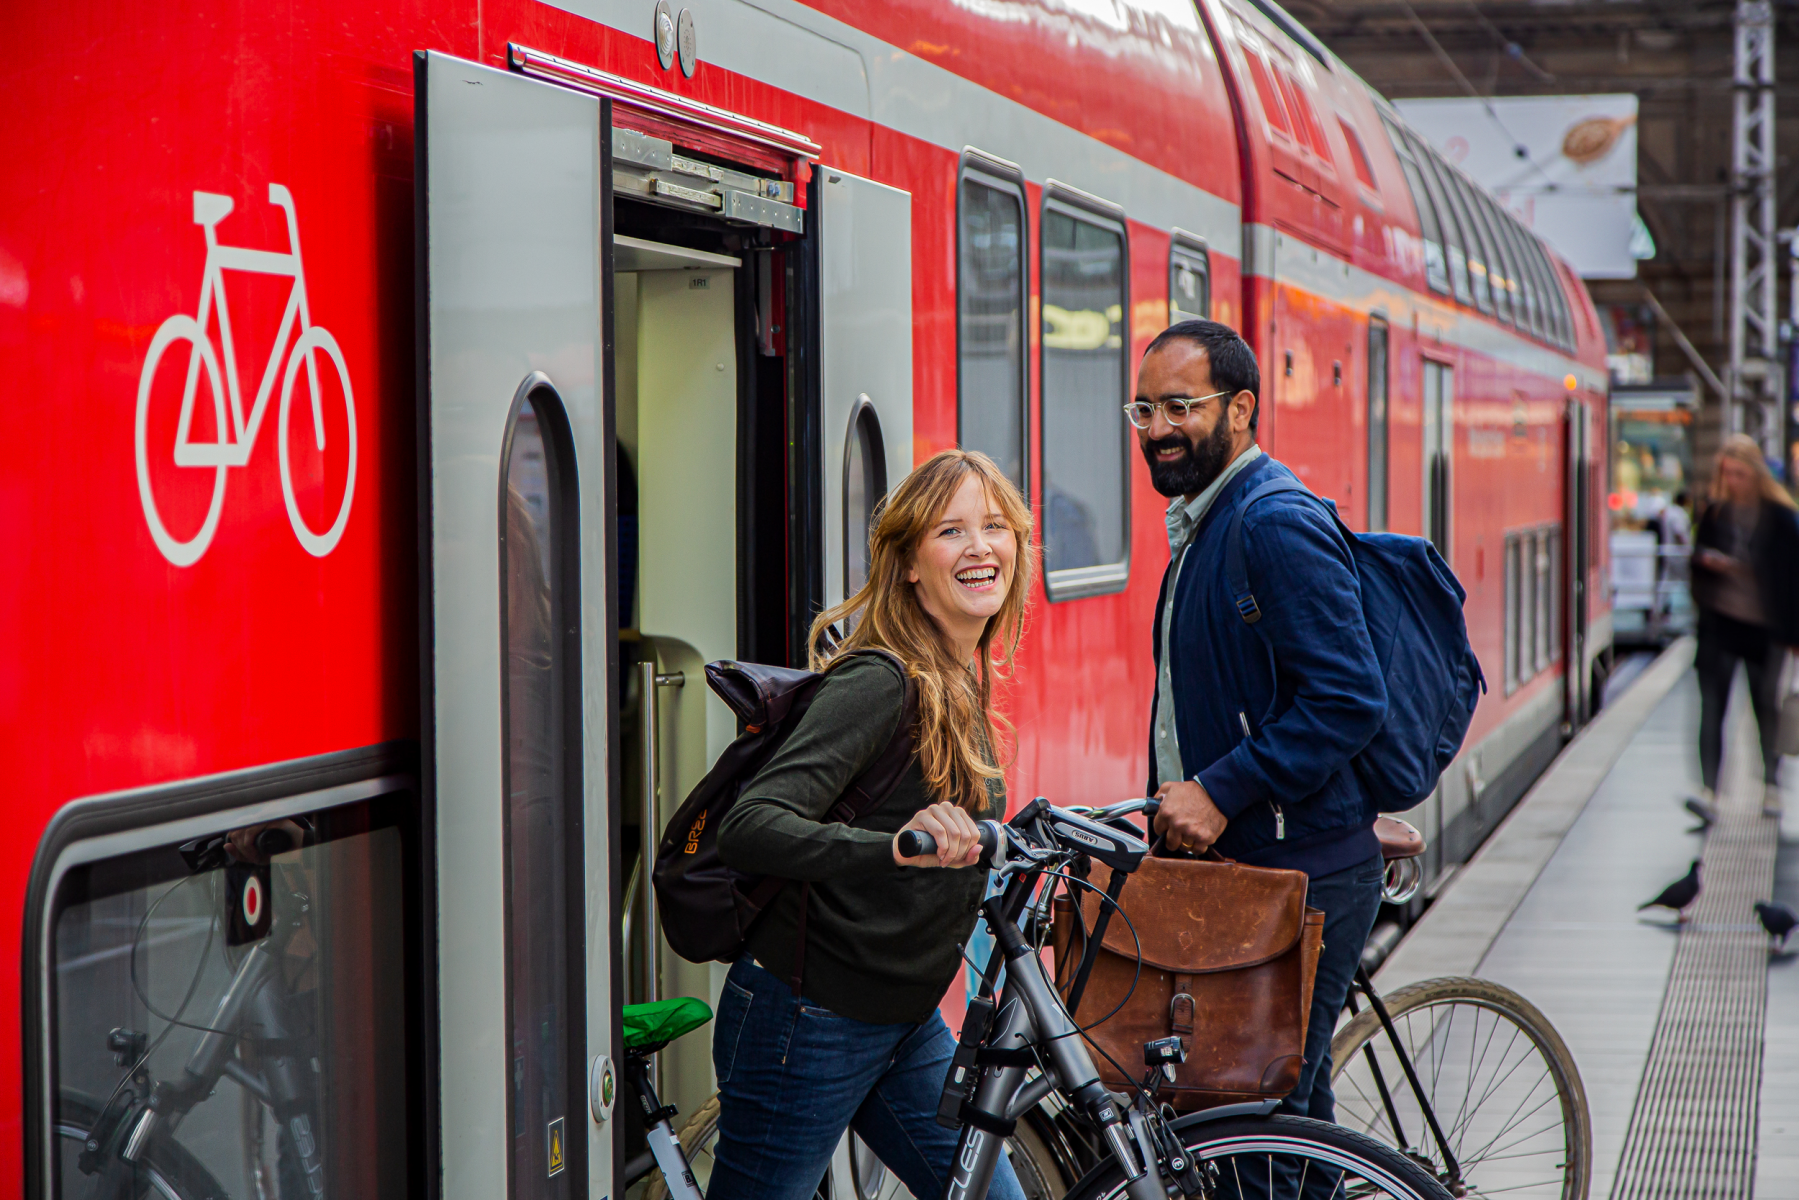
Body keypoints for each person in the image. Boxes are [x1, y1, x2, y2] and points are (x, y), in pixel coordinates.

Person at [711, 449, 1036, 1200]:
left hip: (903, 1021)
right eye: (951, 532)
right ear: (911, 564)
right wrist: (892, 850)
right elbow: (751, 825)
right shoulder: (879, 681)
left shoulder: (957, 676)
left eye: (994, 526)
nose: (980, 547)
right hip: (809, 1019)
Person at [1137, 319, 1388, 1130]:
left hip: (1299, 874)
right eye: (1142, 411)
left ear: (1239, 409)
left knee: (1253, 1130)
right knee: (1286, 1123)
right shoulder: (1206, 524)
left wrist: (1219, 788)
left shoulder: (1269, 521)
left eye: (1179, 406)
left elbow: (1349, 698)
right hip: (1255, 868)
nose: (1158, 430)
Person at [1689, 434, 1799, 818]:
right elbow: (1695, 563)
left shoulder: (1782, 520)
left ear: (1754, 473)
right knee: (1712, 707)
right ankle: (1709, 790)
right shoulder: (1715, 515)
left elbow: (1792, 577)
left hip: (1764, 629)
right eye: (1727, 474)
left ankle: (1770, 785)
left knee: (1764, 706)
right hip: (1720, 625)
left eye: (1739, 473)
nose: (1732, 481)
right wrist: (1706, 566)